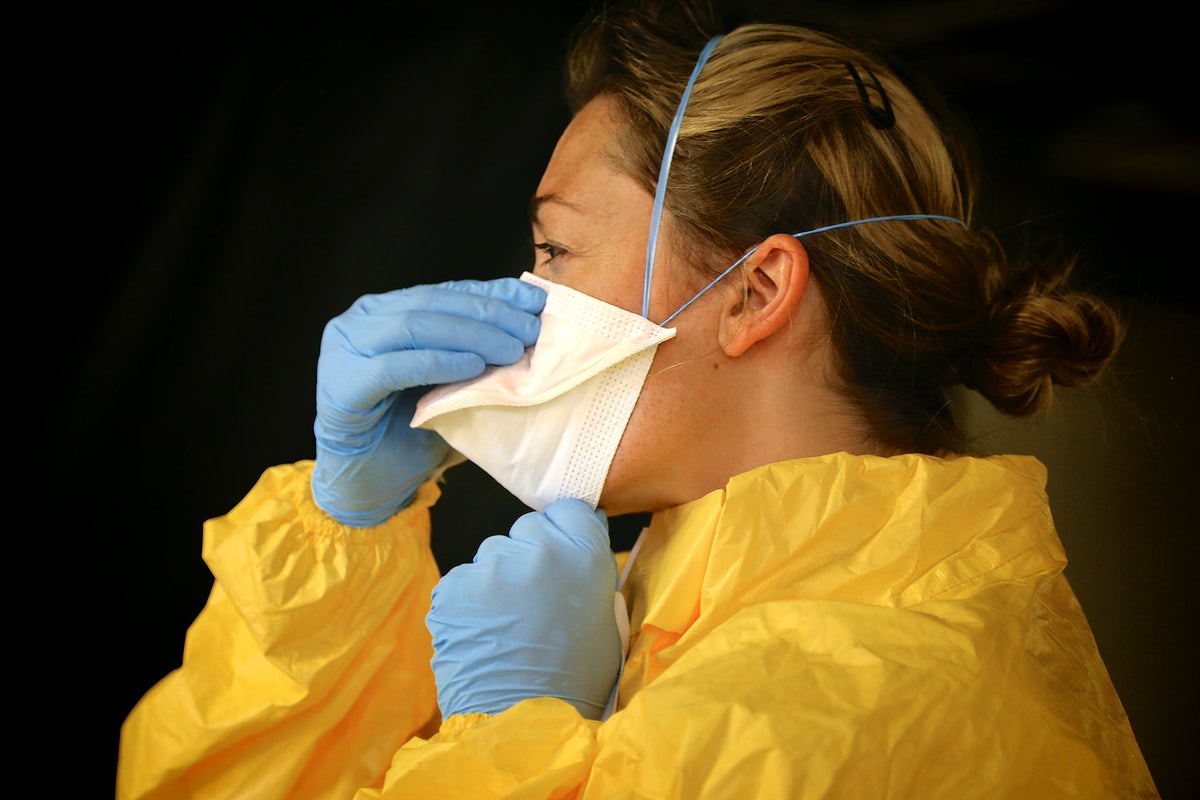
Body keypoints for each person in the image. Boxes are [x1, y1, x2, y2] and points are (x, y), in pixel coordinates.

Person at [116, 2, 1159, 797]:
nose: (524, 299)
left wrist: (509, 736)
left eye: (555, 250)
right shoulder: (648, 610)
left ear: (753, 293)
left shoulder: (869, 706)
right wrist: (341, 543)